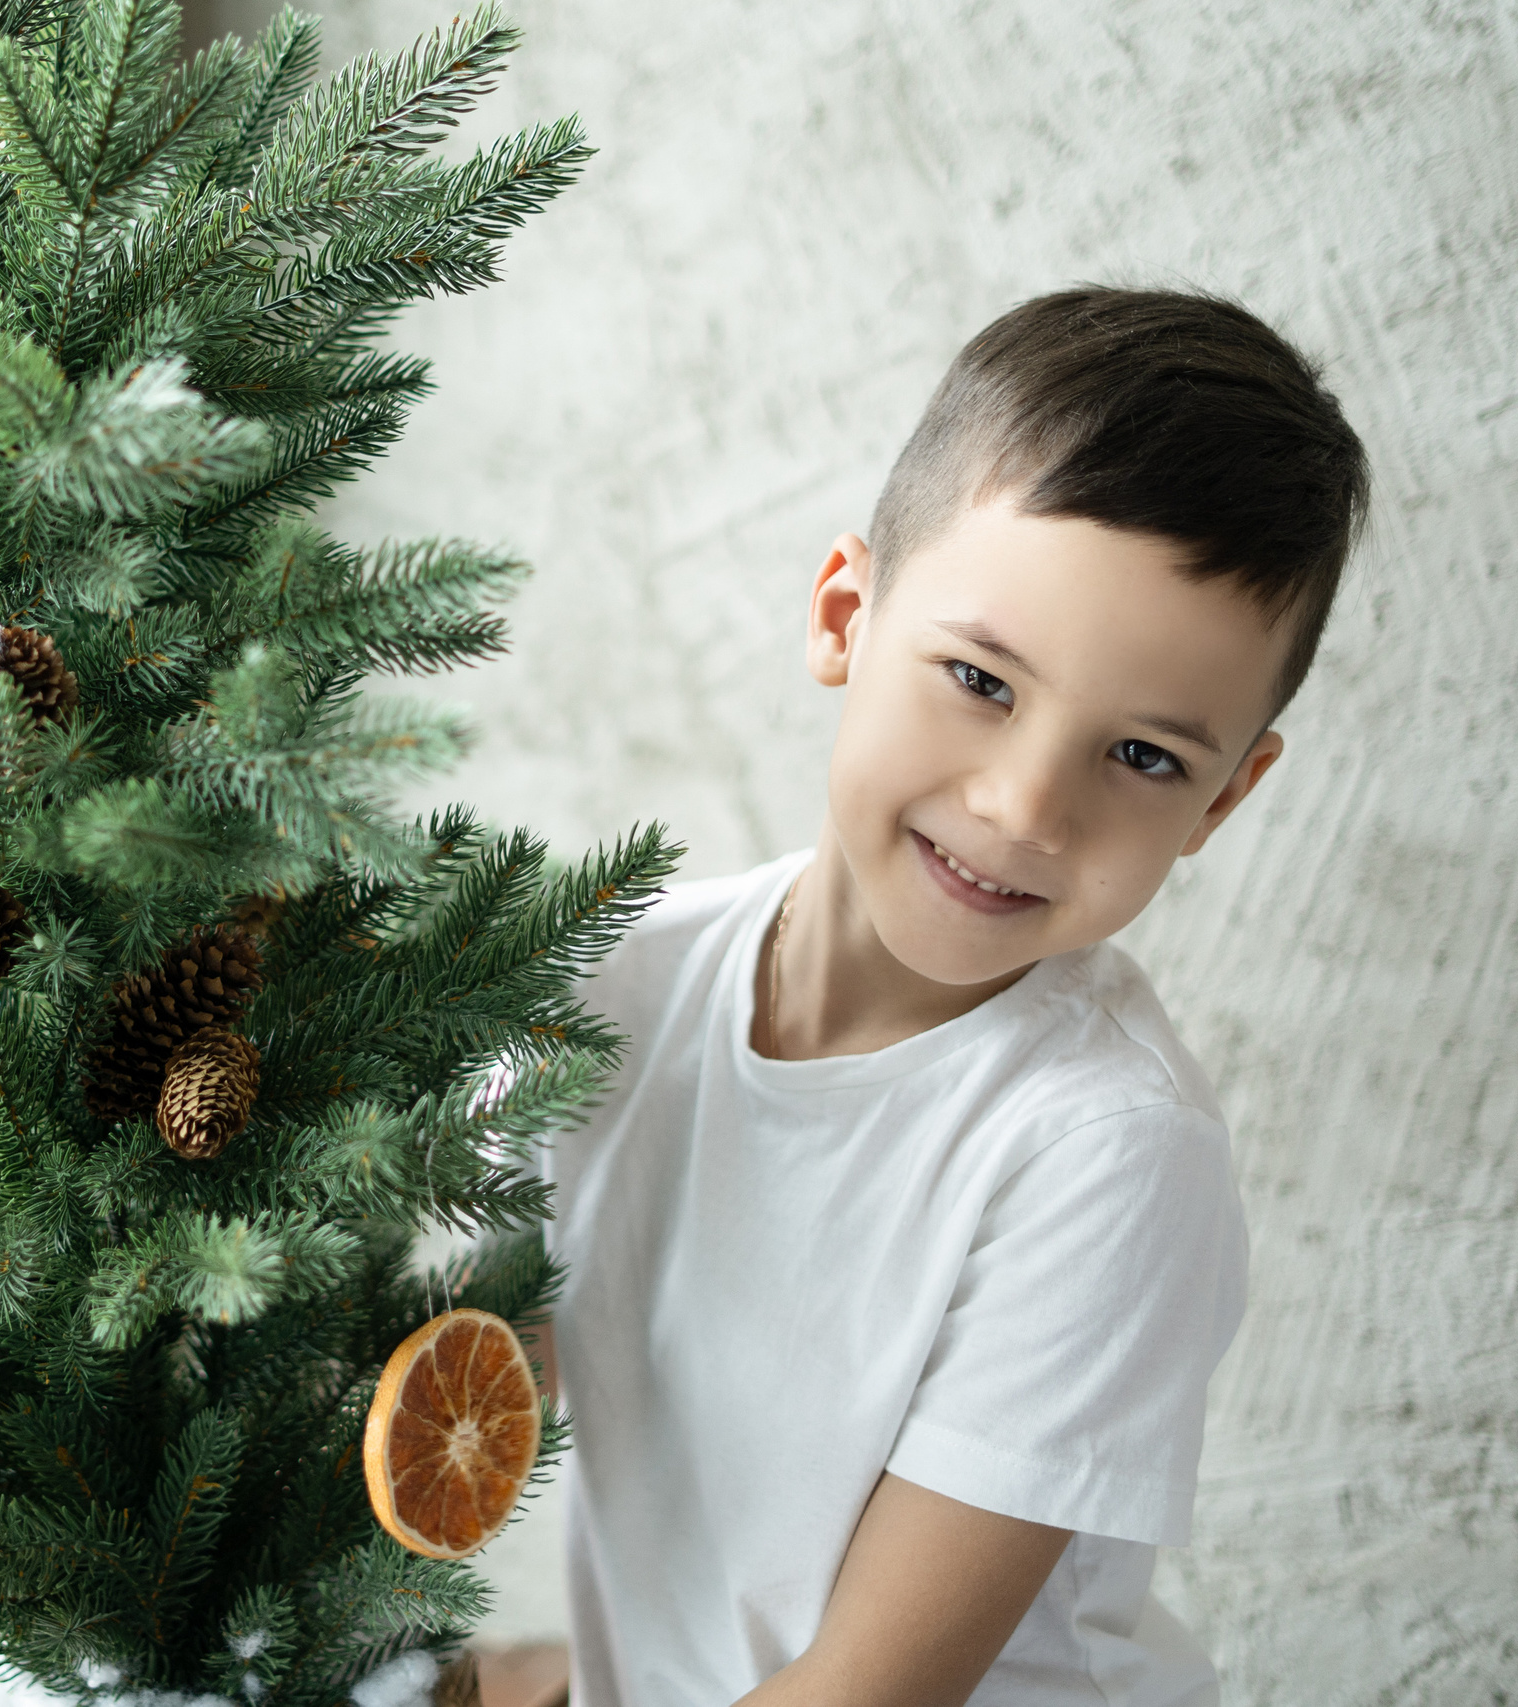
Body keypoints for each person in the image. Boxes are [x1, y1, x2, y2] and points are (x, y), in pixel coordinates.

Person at [534, 288, 1371, 1707]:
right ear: (846, 616)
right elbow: (469, 1363)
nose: (1025, 805)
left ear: (1228, 795)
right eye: (982, 679)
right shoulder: (616, 979)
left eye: (1146, 758)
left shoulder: (1106, 1152)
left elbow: (868, 1692)